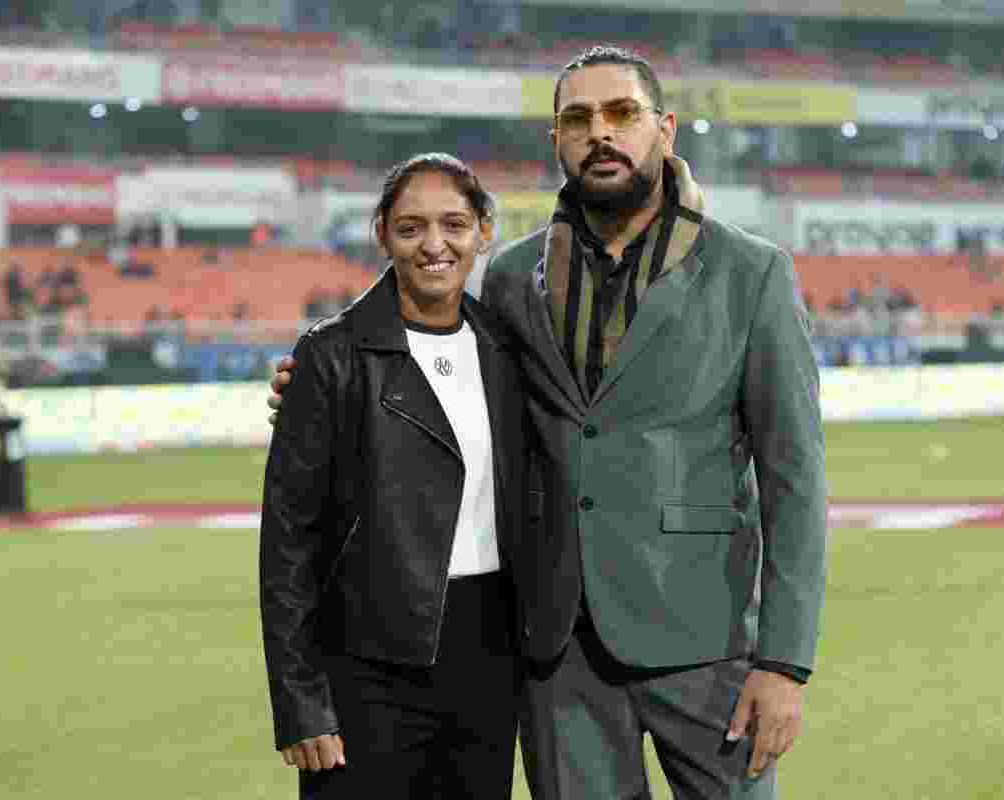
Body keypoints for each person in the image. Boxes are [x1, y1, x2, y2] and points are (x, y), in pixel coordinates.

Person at [269, 46, 827, 800]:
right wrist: (326, 386)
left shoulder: (752, 273)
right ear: (556, 140)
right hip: (556, 649)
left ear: (664, 129)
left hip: (708, 640)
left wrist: (784, 663)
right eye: (578, 118)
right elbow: (441, 373)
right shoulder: (509, 279)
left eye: (622, 114)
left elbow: (794, 477)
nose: (601, 133)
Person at [259, 153, 527, 800]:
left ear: (483, 230)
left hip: (489, 660)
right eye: (411, 228)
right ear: (382, 233)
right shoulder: (330, 356)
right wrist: (301, 702)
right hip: (365, 662)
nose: (435, 245)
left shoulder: (508, 347)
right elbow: (288, 542)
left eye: (454, 224)